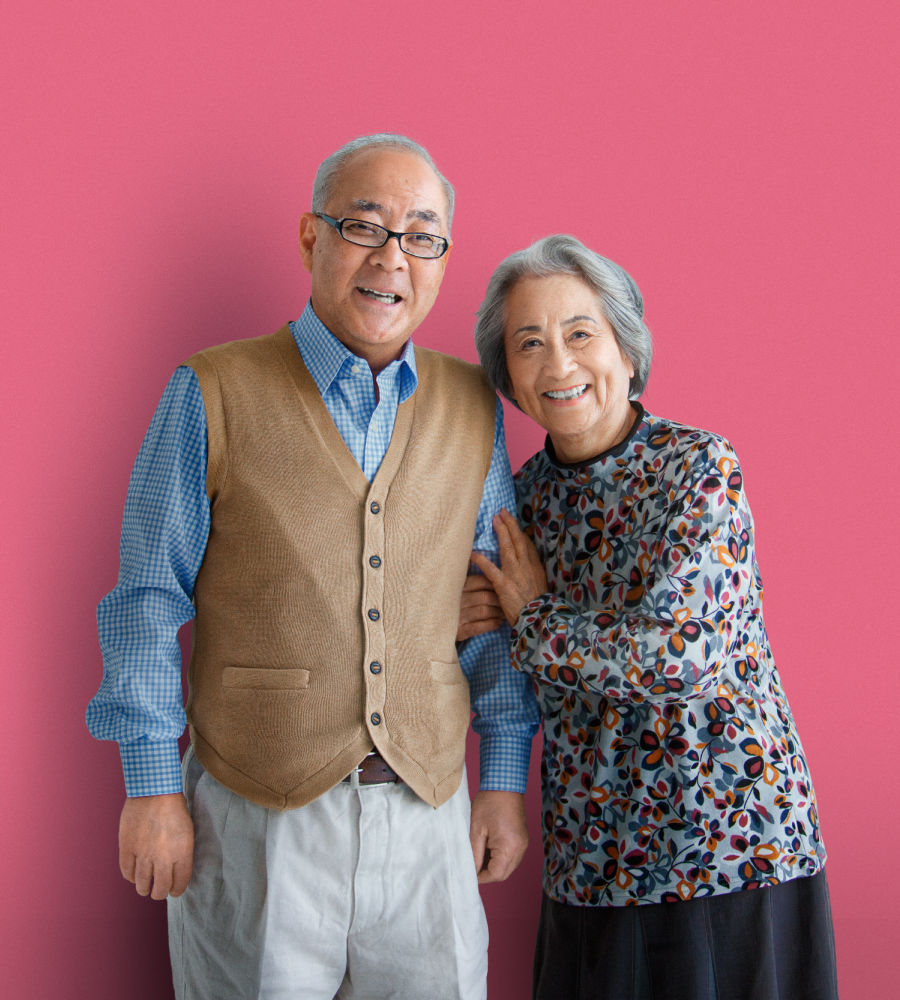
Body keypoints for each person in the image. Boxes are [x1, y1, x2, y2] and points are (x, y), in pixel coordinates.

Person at [86, 133, 540, 1000]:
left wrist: (504, 780)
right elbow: (146, 600)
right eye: (365, 226)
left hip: (428, 816)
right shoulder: (210, 390)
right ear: (310, 238)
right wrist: (149, 785)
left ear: (443, 261)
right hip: (257, 817)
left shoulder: (471, 405)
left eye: (422, 236)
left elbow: (486, 613)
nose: (392, 258)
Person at [462, 235, 838, 1000]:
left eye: (579, 334)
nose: (558, 364)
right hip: (592, 860)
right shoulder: (519, 501)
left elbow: (676, 654)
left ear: (627, 352)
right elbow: (484, 632)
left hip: (726, 846)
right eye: (528, 344)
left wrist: (532, 618)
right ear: (508, 379)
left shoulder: (700, 468)